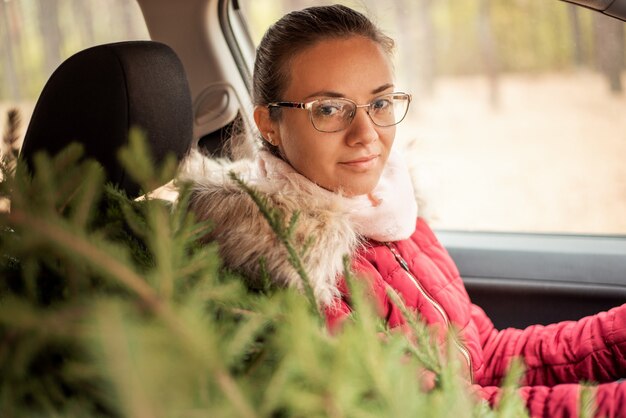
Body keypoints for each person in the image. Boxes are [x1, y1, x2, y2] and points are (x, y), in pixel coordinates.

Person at [179, 5, 626, 417]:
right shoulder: (291, 271)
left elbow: (485, 355)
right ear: (269, 125)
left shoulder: (389, 211)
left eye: (379, 103)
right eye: (330, 109)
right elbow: (441, 407)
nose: (366, 134)